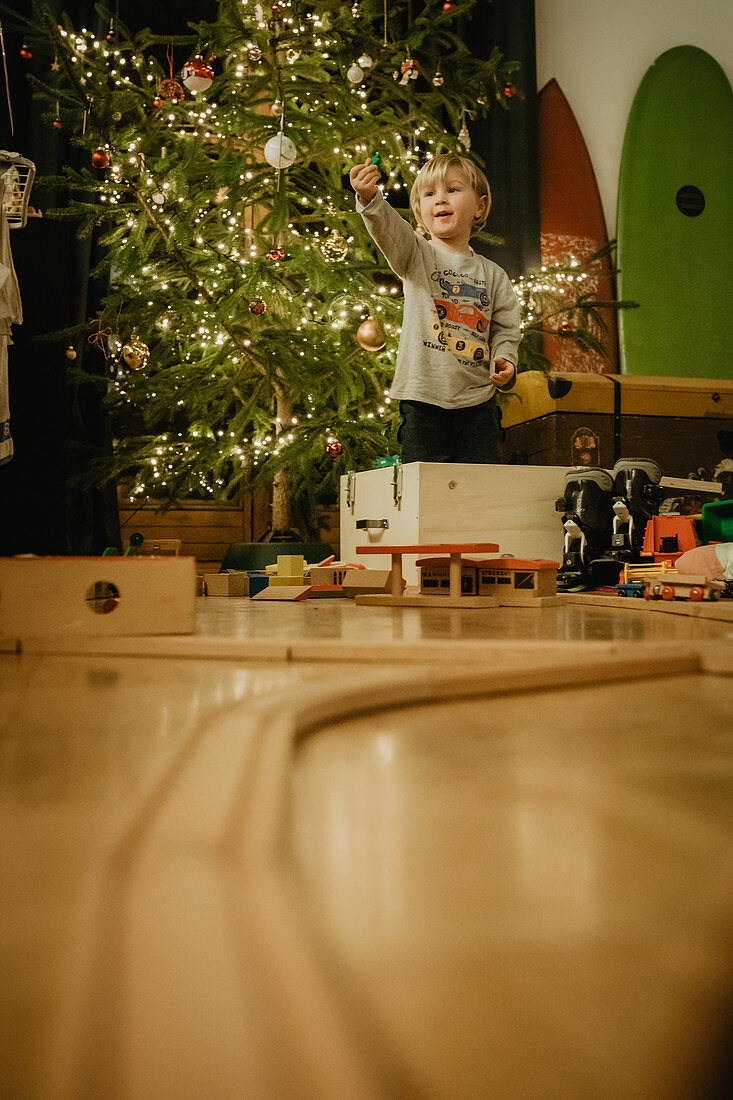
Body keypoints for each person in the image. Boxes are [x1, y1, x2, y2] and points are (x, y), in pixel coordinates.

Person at [349, 152, 520, 463]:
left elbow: (505, 329)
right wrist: (370, 197)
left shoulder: (494, 276)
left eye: (452, 190)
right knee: (424, 495)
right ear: (419, 211)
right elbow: (388, 228)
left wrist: (505, 358)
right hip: (423, 402)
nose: (440, 200)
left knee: (480, 489)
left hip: (478, 405)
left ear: (479, 206)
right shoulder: (415, 254)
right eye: (430, 194)